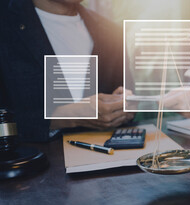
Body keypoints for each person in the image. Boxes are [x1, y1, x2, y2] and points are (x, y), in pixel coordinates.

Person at [0, 0, 135, 142]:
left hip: (107, 158)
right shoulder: (6, 22)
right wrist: (66, 116)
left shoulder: (111, 33)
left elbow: (128, 97)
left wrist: (123, 108)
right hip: (32, 161)